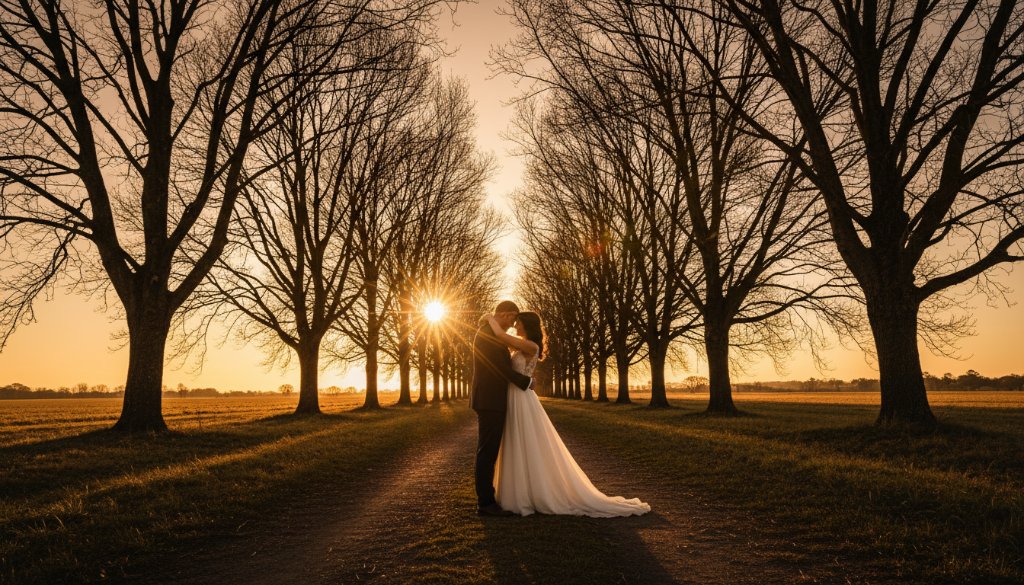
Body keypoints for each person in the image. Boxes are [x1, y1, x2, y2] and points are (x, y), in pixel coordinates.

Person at [484, 310, 651, 517]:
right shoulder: (522, 344)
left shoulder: (531, 346)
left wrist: (489, 318)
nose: (515, 326)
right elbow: (501, 344)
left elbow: (500, 335)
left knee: (524, 441)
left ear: (527, 325)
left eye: (518, 323)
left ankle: (529, 494)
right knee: (515, 441)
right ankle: (519, 492)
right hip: (515, 395)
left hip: (521, 398)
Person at [471, 300, 532, 517]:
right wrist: (527, 382)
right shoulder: (487, 334)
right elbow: (499, 368)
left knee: (489, 450)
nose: (513, 325)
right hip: (489, 400)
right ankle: (485, 503)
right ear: (506, 314)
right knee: (487, 451)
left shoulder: (491, 332)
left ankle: (488, 499)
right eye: (513, 319)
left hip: (491, 398)